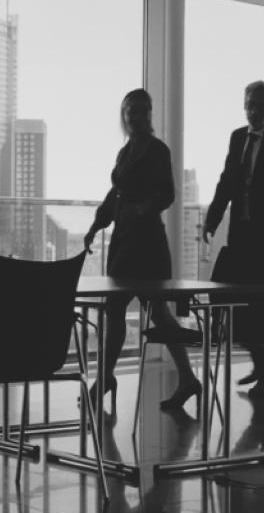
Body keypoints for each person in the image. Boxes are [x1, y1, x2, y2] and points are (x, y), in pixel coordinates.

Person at [84, 89, 202, 413]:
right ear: (123, 116)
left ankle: (107, 379)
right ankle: (184, 379)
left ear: (148, 114)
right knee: (120, 311)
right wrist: (96, 225)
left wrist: (141, 209)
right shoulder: (126, 152)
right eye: (130, 112)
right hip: (125, 242)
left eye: (141, 111)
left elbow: (168, 194)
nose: (135, 117)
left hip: (147, 244)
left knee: (151, 312)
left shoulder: (157, 150)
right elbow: (115, 194)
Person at [201, 80, 264, 390]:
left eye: (259, 105)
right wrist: (212, 218)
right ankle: (262, 365)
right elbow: (227, 181)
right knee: (239, 301)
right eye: (248, 103)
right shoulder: (237, 138)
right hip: (241, 234)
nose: (252, 110)